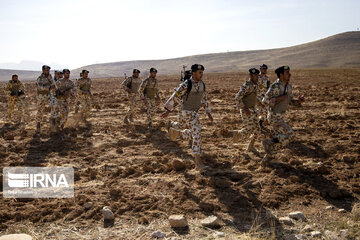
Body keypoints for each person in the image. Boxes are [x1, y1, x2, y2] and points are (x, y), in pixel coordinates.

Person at [162, 64, 213, 170]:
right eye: (199, 72)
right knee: (197, 133)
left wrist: (208, 112)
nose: (201, 74)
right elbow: (175, 96)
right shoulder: (186, 84)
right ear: (193, 73)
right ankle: (198, 163)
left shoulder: (202, 84)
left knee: (195, 133)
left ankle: (177, 132)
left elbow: (204, 98)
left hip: (195, 112)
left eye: (202, 72)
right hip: (187, 111)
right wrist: (168, 110)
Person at [261, 66, 305, 163]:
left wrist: (298, 101)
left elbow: (290, 101)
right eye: (287, 73)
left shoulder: (288, 87)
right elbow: (265, 101)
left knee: (280, 140)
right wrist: (278, 99)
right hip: (274, 117)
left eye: (289, 72)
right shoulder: (275, 86)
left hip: (281, 116)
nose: (289, 74)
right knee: (291, 136)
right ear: (281, 75)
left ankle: (267, 158)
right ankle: (269, 143)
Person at [233, 68, 262, 155]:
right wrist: (245, 109)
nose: (256, 77)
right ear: (250, 76)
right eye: (254, 75)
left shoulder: (255, 85)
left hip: (253, 110)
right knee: (248, 130)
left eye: (257, 75)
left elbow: (253, 96)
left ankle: (250, 147)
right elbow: (237, 97)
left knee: (257, 130)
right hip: (246, 110)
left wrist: (260, 103)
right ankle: (238, 133)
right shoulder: (246, 85)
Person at [35, 65, 57, 133]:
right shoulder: (40, 78)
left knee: (54, 104)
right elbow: (40, 87)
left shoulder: (50, 77)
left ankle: (53, 119)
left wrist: (55, 88)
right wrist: (49, 87)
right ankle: (38, 123)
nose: (48, 71)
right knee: (40, 110)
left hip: (48, 95)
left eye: (48, 70)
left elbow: (54, 84)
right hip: (41, 96)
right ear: (43, 70)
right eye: (46, 70)